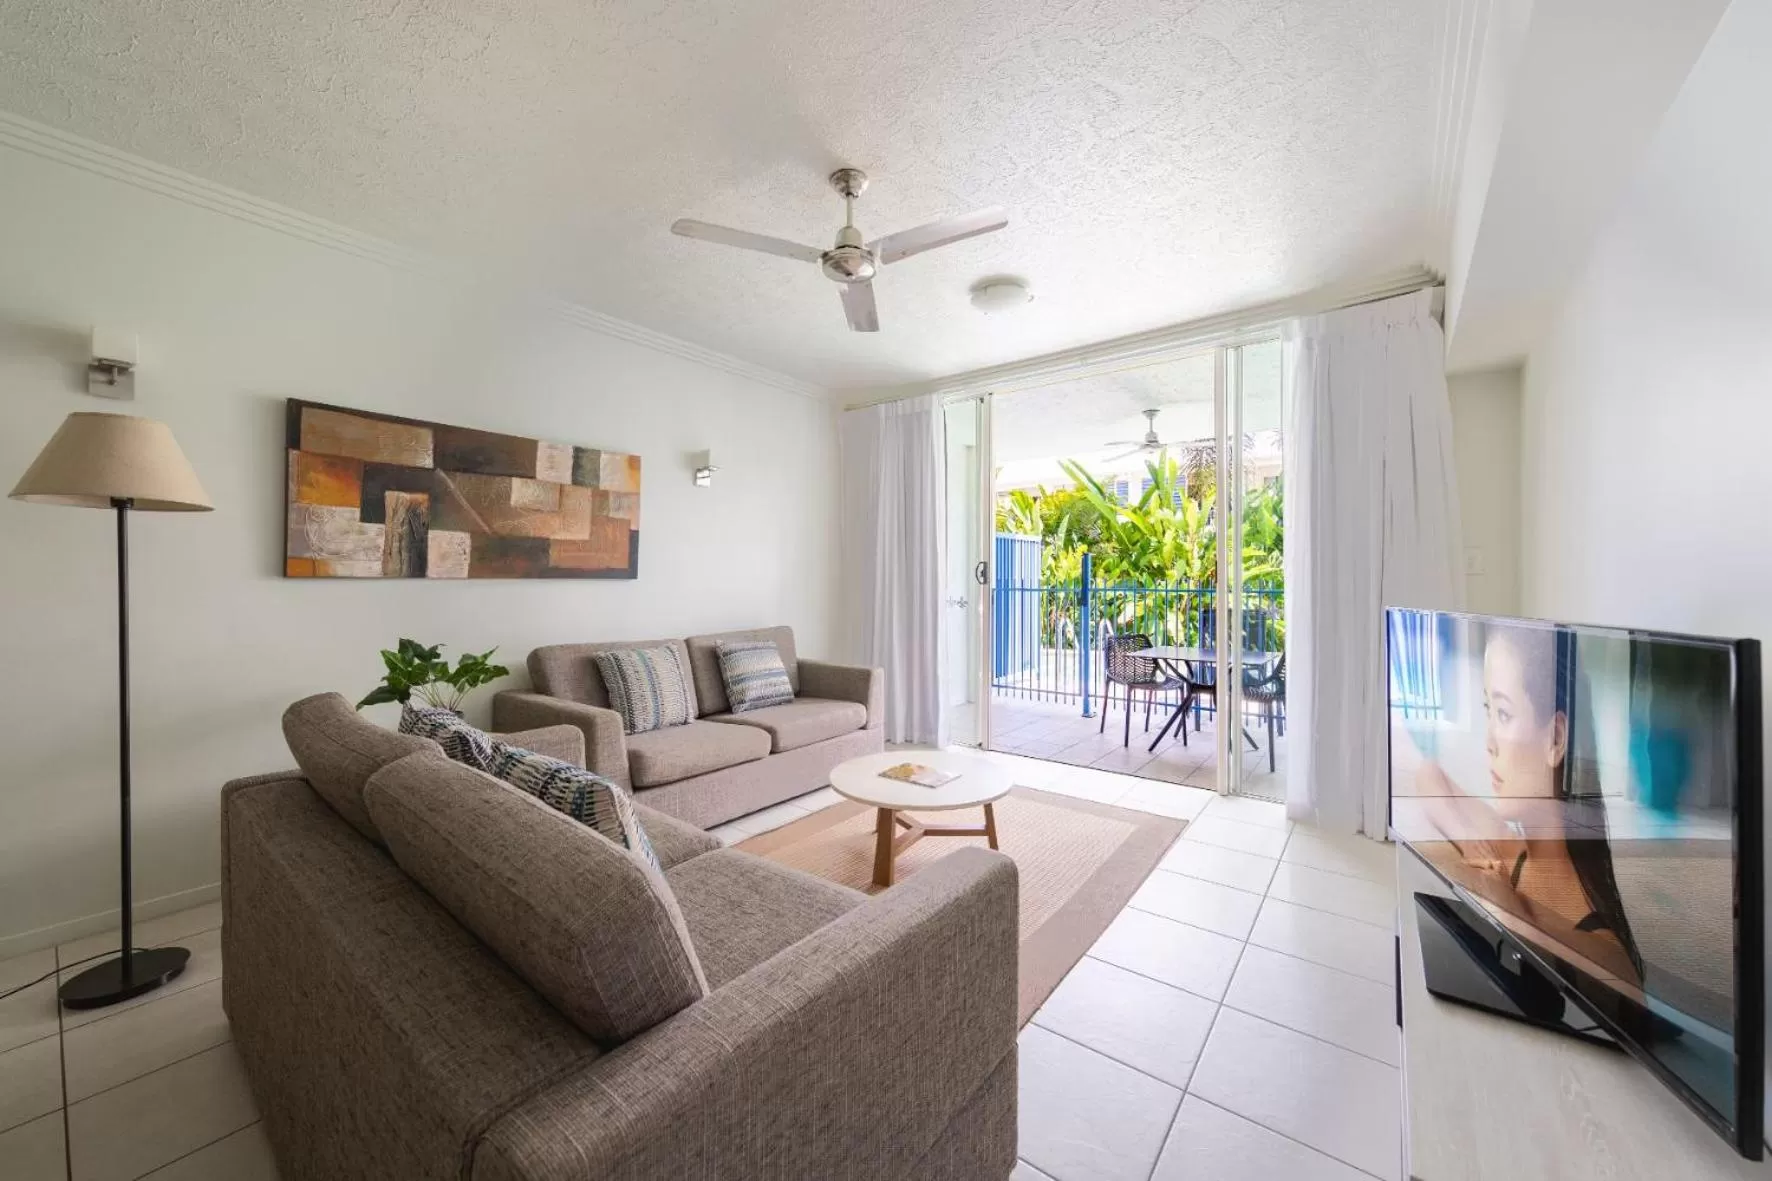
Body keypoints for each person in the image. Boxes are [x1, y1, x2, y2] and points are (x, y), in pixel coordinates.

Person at [1401, 623, 1642, 985]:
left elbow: (1630, 994)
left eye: (1504, 714)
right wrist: (1468, 841)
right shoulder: (1507, 850)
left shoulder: (1601, 945)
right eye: (1488, 711)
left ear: (1556, 740)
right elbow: (1428, 774)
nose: (1489, 742)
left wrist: (1507, 907)